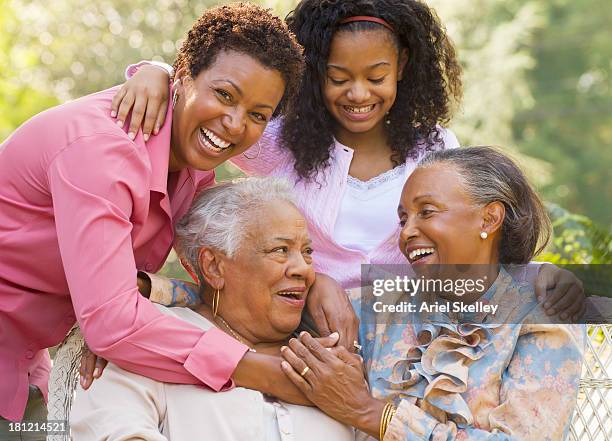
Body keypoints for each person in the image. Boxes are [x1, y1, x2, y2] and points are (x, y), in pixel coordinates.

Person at [116, 0, 584, 319]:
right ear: (316, 73)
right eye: (339, 77)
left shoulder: (434, 148)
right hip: (296, 328)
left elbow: (468, 246)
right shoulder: (279, 140)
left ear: (401, 67)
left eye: (376, 76)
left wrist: (536, 274)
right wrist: (156, 73)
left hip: (403, 334)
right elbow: (207, 115)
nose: (358, 94)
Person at [0, 3, 315, 429]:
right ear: (182, 76)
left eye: (257, 115)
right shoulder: (102, 152)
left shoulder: (192, 173)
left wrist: (136, 304)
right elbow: (111, 322)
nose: (235, 123)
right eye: (224, 95)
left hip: (26, 365)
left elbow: (199, 283)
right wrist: (265, 372)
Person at [279, 147, 584, 440]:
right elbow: (256, 331)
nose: (406, 232)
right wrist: (316, 280)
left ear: (489, 218)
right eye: (403, 218)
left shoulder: (541, 312)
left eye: (426, 212)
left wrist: (370, 414)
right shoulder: (381, 307)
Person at [70, 177, 355, 441]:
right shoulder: (148, 340)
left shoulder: (333, 348)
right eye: (280, 250)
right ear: (214, 266)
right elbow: (116, 430)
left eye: (307, 252)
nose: (304, 270)